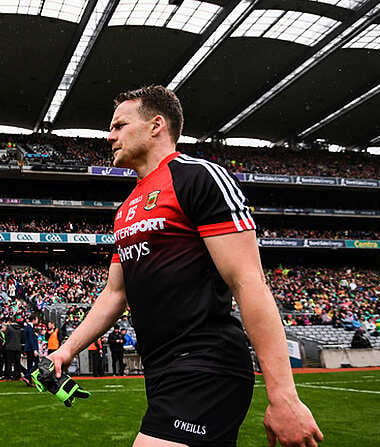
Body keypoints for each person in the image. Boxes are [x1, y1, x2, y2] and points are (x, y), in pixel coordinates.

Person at [48, 86, 323, 447]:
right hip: (161, 371)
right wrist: (67, 349)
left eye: (119, 125)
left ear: (155, 125)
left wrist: (283, 395)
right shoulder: (126, 208)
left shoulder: (198, 177)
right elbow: (115, 294)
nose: (110, 136)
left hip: (206, 363)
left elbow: (248, 282)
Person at [22, 314, 39, 386]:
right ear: (34, 319)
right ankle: (27, 376)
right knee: (37, 363)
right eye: (37, 319)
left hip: (28, 348)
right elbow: (31, 340)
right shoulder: (29, 328)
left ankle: (29, 381)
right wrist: (35, 349)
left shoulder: (28, 327)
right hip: (31, 349)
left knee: (29, 365)